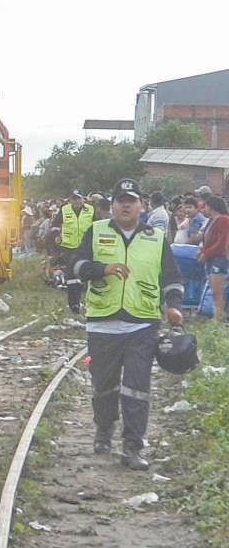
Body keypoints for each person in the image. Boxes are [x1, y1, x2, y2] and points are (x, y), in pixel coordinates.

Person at [73, 178, 184, 471]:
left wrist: (174, 305)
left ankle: (132, 447)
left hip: (142, 326)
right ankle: (104, 429)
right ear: (112, 206)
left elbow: (172, 277)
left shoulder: (155, 238)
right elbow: (77, 266)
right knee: (103, 387)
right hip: (102, 325)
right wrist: (103, 269)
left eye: (131, 201)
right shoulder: (96, 231)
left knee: (137, 387)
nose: (126, 205)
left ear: (141, 206)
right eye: (121, 200)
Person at [52, 190, 95, 313]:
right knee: (72, 275)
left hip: (86, 246)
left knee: (89, 273)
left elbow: (98, 225)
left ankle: (91, 300)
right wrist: (56, 235)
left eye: (78, 199)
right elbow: (55, 224)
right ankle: (74, 303)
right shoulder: (64, 209)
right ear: (70, 200)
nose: (76, 201)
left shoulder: (91, 209)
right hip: (69, 247)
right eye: (74, 199)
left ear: (83, 199)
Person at [197, 195, 229, 322]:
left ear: (211, 207)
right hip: (212, 258)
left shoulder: (223, 220)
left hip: (219, 259)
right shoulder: (212, 221)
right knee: (214, 290)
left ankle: (218, 317)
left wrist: (206, 253)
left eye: (205, 206)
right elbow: (209, 241)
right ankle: (217, 316)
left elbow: (221, 243)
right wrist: (202, 251)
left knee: (217, 292)